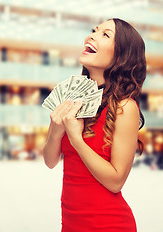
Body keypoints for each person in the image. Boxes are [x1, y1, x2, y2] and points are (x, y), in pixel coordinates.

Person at [42, 18, 146, 232]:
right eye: (93, 31)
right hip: (71, 224)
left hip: (108, 224)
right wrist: (55, 131)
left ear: (121, 55)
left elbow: (116, 181)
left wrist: (76, 140)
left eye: (105, 35)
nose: (91, 36)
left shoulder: (124, 107)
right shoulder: (73, 100)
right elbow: (50, 161)